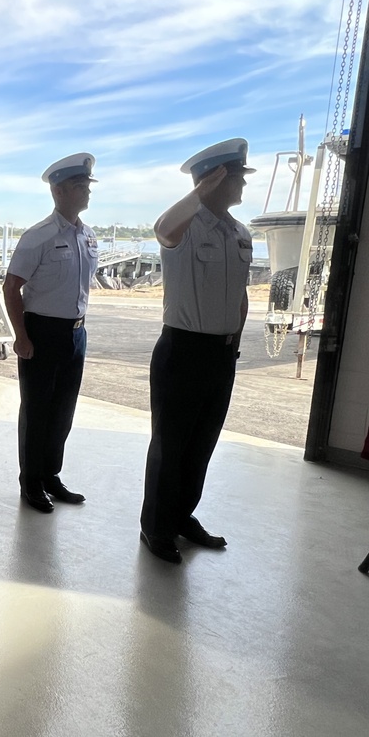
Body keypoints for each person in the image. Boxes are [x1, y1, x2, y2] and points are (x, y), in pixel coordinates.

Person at [139, 138, 253, 564]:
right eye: (236, 177)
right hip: (182, 351)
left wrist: (234, 344)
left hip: (222, 355)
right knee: (170, 446)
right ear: (213, 180)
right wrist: (198, 194)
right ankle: (156, 528)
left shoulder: (240, 234)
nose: (242, 185)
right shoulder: (185, 229)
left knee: (202, 444)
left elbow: (240, 295)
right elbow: (162, 227)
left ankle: (183, 516)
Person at [3, 154, 100, 513]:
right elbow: (12, 287)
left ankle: (50, 475)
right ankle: (31, 481)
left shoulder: (87, 236)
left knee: (63, 410)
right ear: (58, 191)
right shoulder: (39, 236)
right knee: (37, 409)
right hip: (42, 331)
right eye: (79, 186)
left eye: (88, 185)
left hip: (76, 334)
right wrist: (21, 336)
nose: (87, 192)